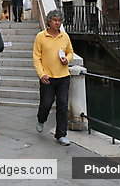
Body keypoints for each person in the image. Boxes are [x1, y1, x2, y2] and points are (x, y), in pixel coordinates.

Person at [32, 10, 74, 146]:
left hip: (63, 77)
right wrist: (41, 74)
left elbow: (70, 52)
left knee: (62, 105)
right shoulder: (40, 37)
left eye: (59, 21)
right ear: (49, 21)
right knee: (46, 103)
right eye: (55, 20)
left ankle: (61, 134)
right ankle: (41, 119)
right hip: (47, 77)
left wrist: (67, 59)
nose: (57, 23)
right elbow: (36, 58)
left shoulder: (65, 36)